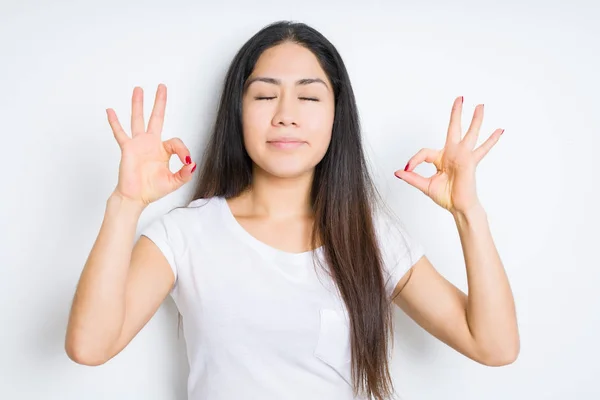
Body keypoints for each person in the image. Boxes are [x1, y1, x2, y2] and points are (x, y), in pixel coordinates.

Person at [65, 20, 519, 400]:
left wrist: (468, 213)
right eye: (264, 96)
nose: (286, 114)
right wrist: (125, 203)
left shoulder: (369, 237)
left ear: (337, 115)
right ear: (237, 113)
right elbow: (89, 346)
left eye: (308, 96)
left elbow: (494, 346)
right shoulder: (186, 233)